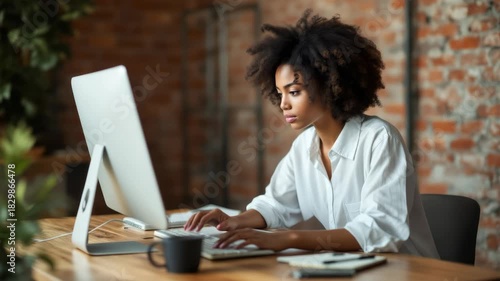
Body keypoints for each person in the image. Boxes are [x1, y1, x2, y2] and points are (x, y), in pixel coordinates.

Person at [184, 9, 439, 258]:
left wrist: (288, 239)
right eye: (280, 93)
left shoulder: (379, 140)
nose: (283, 104)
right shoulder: (304, 146)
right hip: (354, 270)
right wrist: (233, 221)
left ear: (330, 86)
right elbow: (275, 205)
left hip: (409, 272)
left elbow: (381, 229)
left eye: (294, 91)